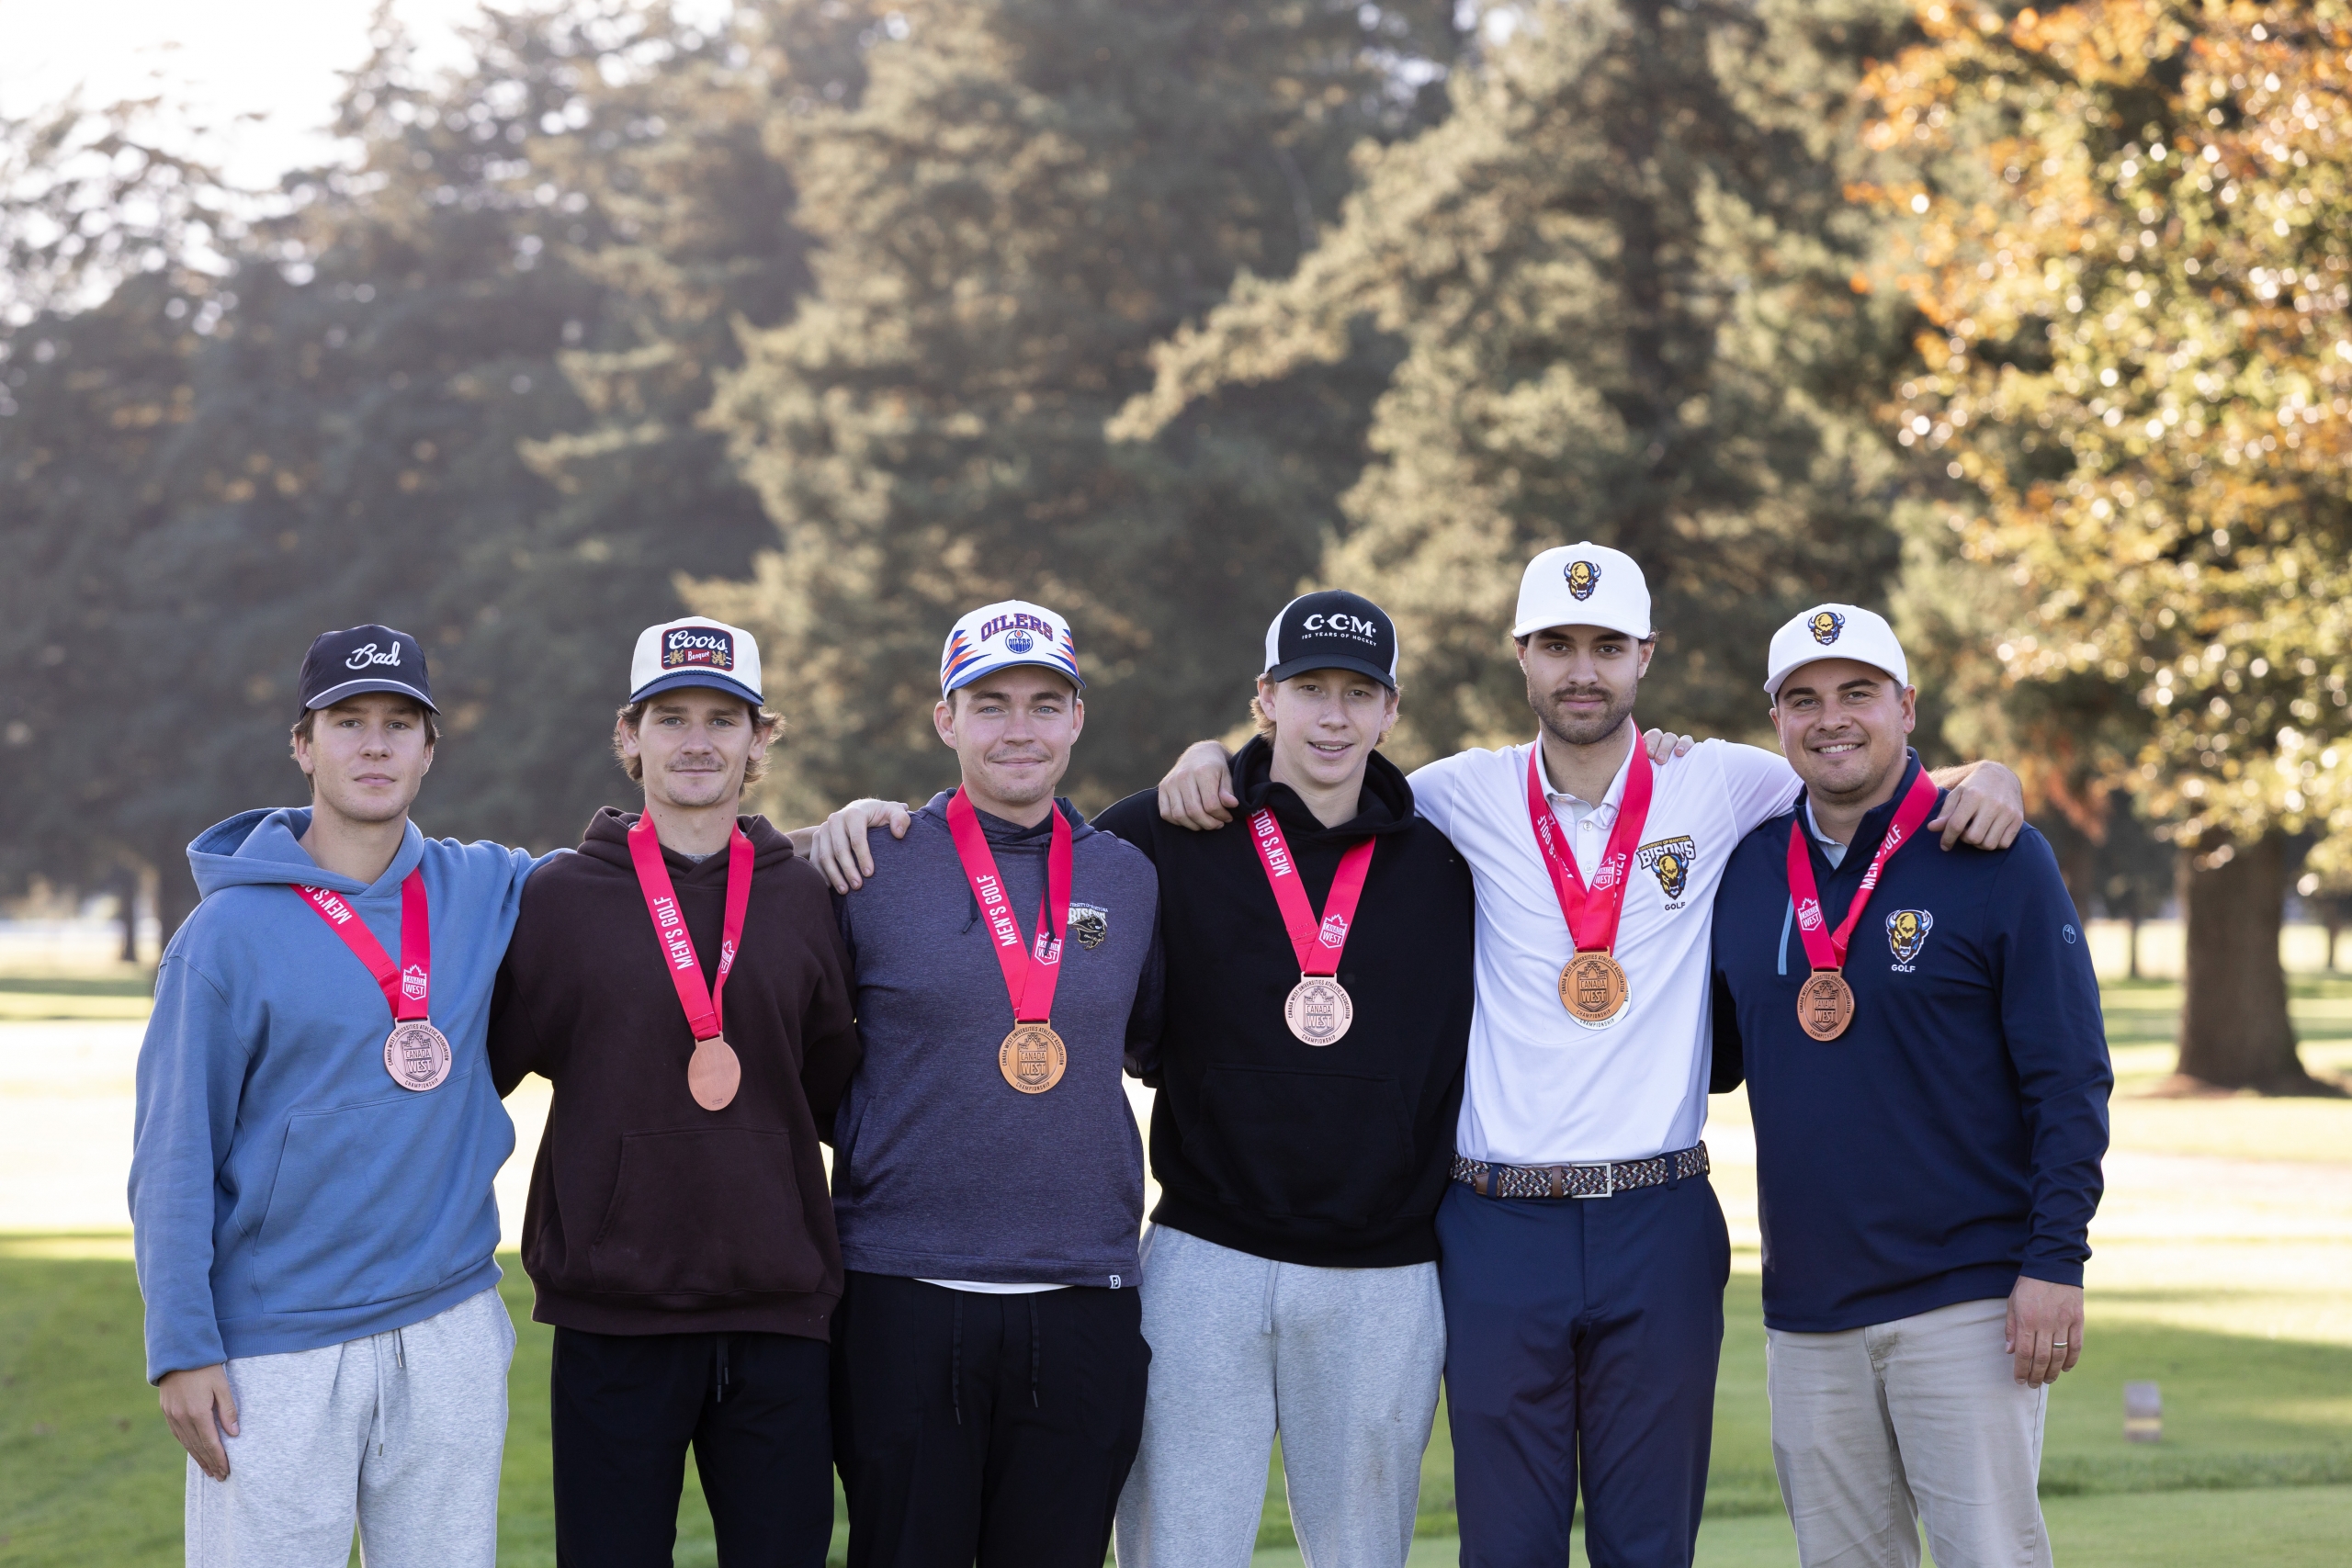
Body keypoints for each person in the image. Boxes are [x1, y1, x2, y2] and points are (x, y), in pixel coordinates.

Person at [1152, 545, 2028, 1568]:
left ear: (1644, 657)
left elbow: (1865, 778)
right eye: (1558, 646)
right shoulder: (1449, 796)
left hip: (1656, 1220)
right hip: (1491, 1224)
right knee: (1506, 1547)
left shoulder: (1723, 783)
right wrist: (1207, 759)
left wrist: (1990, 773)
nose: (1582, 670)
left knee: (1647, 1544)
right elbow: (1309, 785)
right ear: (1520, 659)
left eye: (1606, 646)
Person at [130, 625, 545, 1568]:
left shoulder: (488, 887)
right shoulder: (225, 934)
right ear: (302, 744)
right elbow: (172, 1155)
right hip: (275, 1344)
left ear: (430, 749)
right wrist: (181, 1345)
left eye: (400, 724)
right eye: (347, 721)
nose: (374, 744)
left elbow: (650, 881)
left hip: (447, 1326)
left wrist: (830, 832)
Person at [1707, 604, 2110, 1568]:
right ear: (1775, 720)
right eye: (1802, 699)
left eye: (1857, 694)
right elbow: (1715, 1059)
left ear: (1905, 706)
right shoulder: (1750, 867)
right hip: (1807, 1310)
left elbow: (2069, 1079)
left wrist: (2055, 1263)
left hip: (1965, 1301)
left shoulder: (1995, 851)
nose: (1830, 718)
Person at [1082, 592, 1474, 1568]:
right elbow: (1028, 864)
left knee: (1360, 1555)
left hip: (1382, 1274)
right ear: (1264, 699)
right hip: (1203, 1257)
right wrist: (877, 822)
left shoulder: (1449, 863)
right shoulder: (1167, 830)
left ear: (1392, 710)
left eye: (1358, 693)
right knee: (1179, 1547)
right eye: (1308, 690)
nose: (1333, 716)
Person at [486, 617, 861, 1568]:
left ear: (759, 740)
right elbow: (479, 1076)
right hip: (616, 1314)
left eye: (722, 720)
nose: (697, 741)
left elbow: (837, 1094)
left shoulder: (807, 896)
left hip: (777, 1314)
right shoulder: (557, 898)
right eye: (671, 717)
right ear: (628, 737)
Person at [814, 600, 1163, 1568]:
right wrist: (819, 826)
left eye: (1044, 704)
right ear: (945, 720)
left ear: (1077, 718)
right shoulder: (864, 861)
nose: (1019, 729)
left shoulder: (1128, 879)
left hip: (1083, 1289)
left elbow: (1151, 1045)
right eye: (991, 704)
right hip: (901, 1290)